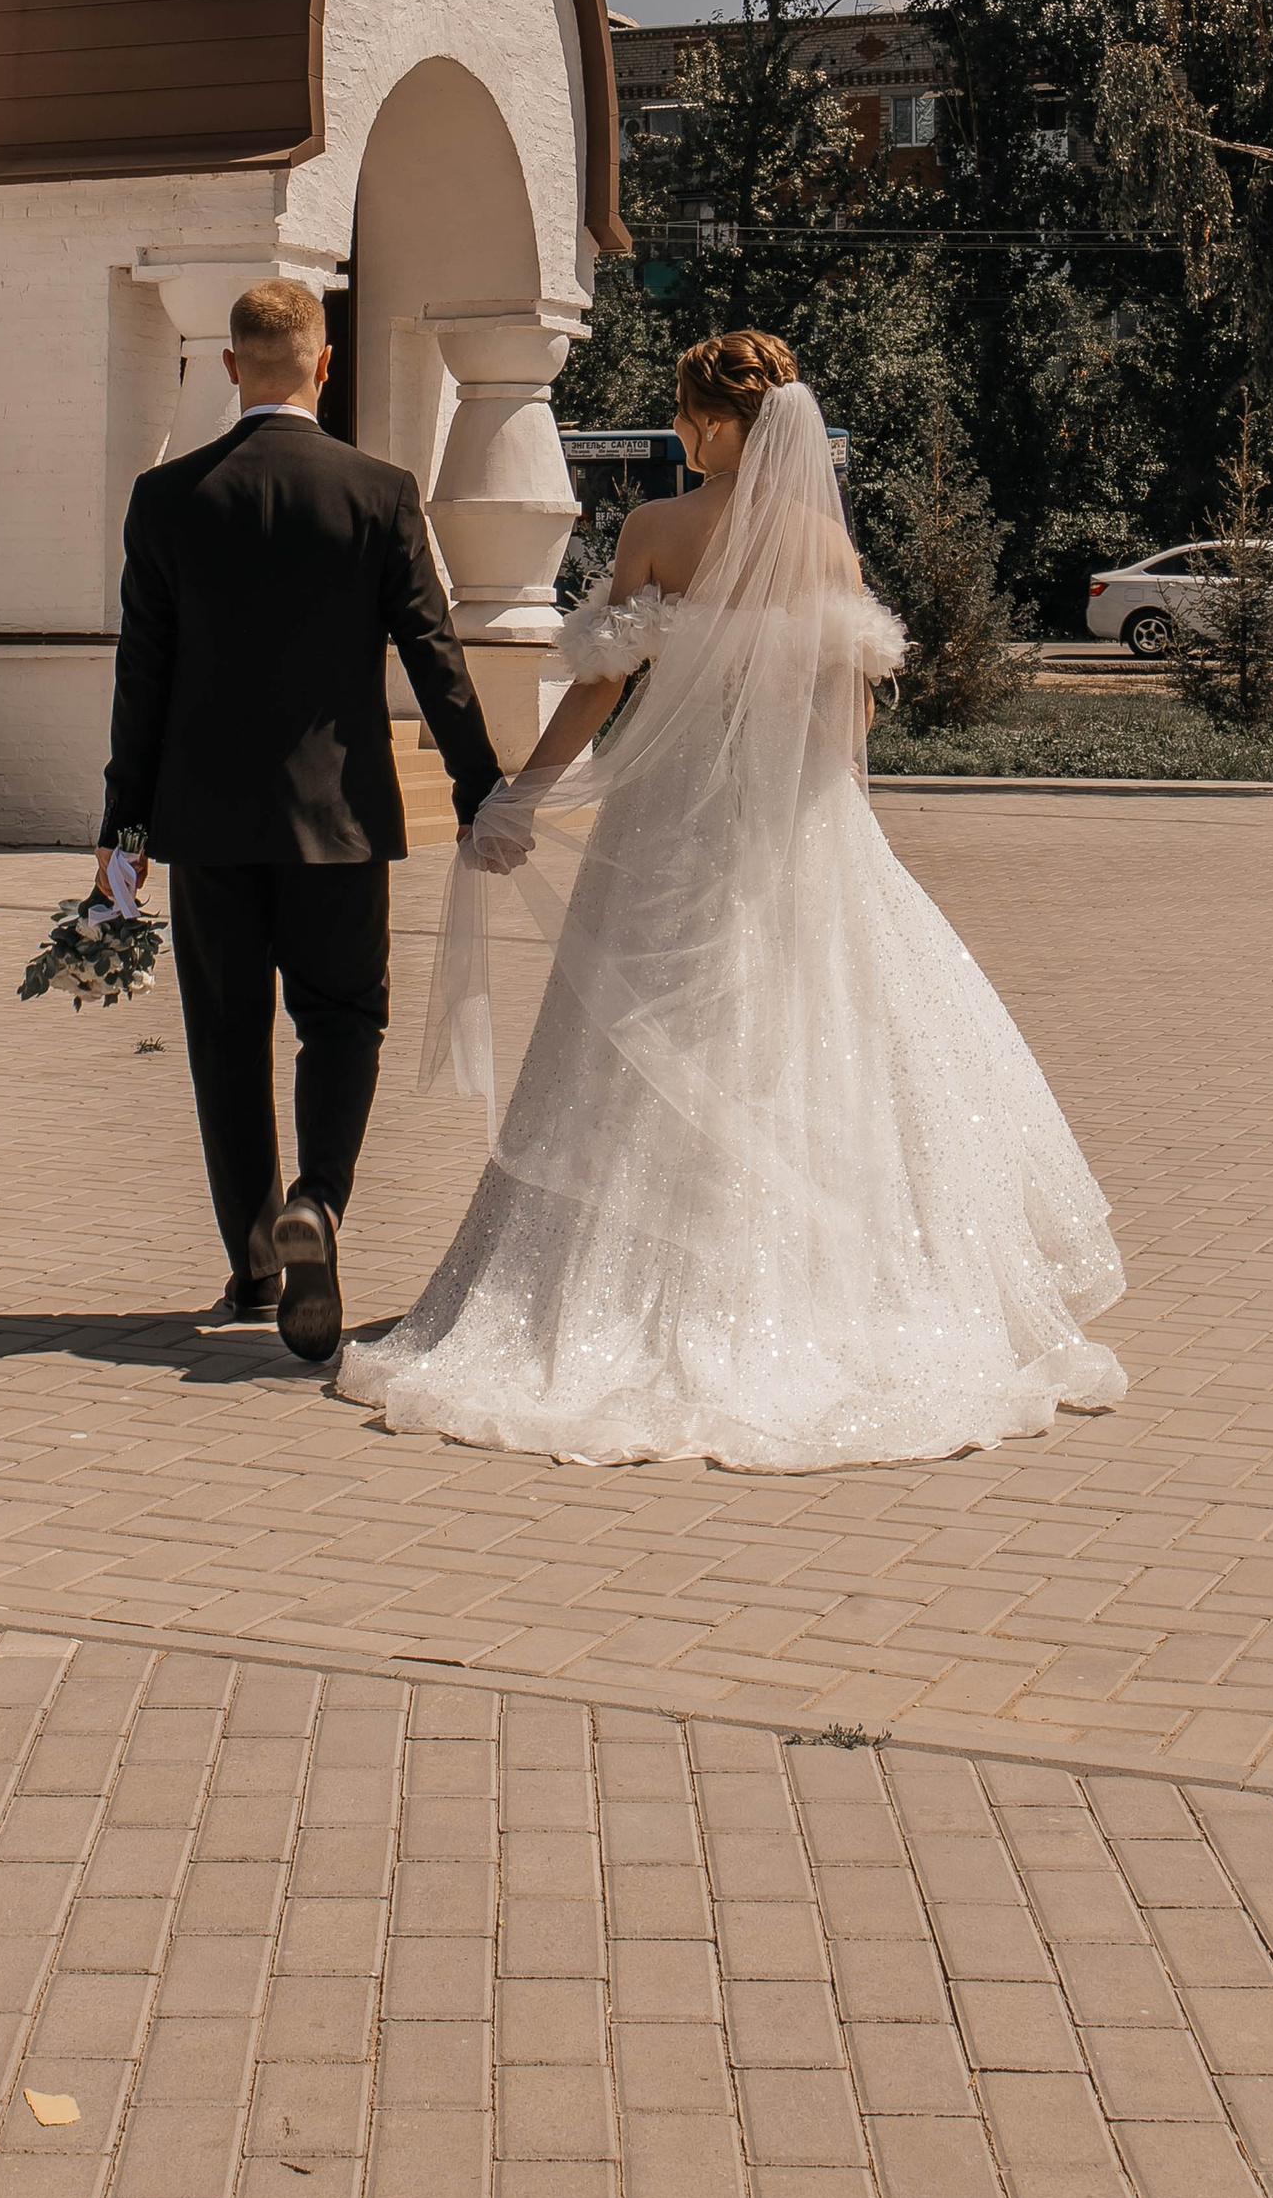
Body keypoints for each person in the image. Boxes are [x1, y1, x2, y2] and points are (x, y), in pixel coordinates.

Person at [338, 330, 1127, 1469]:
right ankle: (822, 1292)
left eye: (681, 413)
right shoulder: (824, 550)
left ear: (710, 422)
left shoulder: (660, 530)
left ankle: (612, 1292)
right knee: (809, 1042)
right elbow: (845, 726)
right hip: (793, 829)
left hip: (666, 829)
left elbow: (600, 688)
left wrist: (521, 794)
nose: (677, 429)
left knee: (642, 1042)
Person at [99, 277, 503, 1365]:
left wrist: (122, 845)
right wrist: (478, 788)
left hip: (207, 826)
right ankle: (318, 1201)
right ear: (323, 365)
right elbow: (435, 652)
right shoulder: (378, 493)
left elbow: (142, 680)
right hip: (340, 826)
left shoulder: (168, 500)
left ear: (232, 368)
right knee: (340, 1021)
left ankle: (253, 1259)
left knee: (225, 1041)